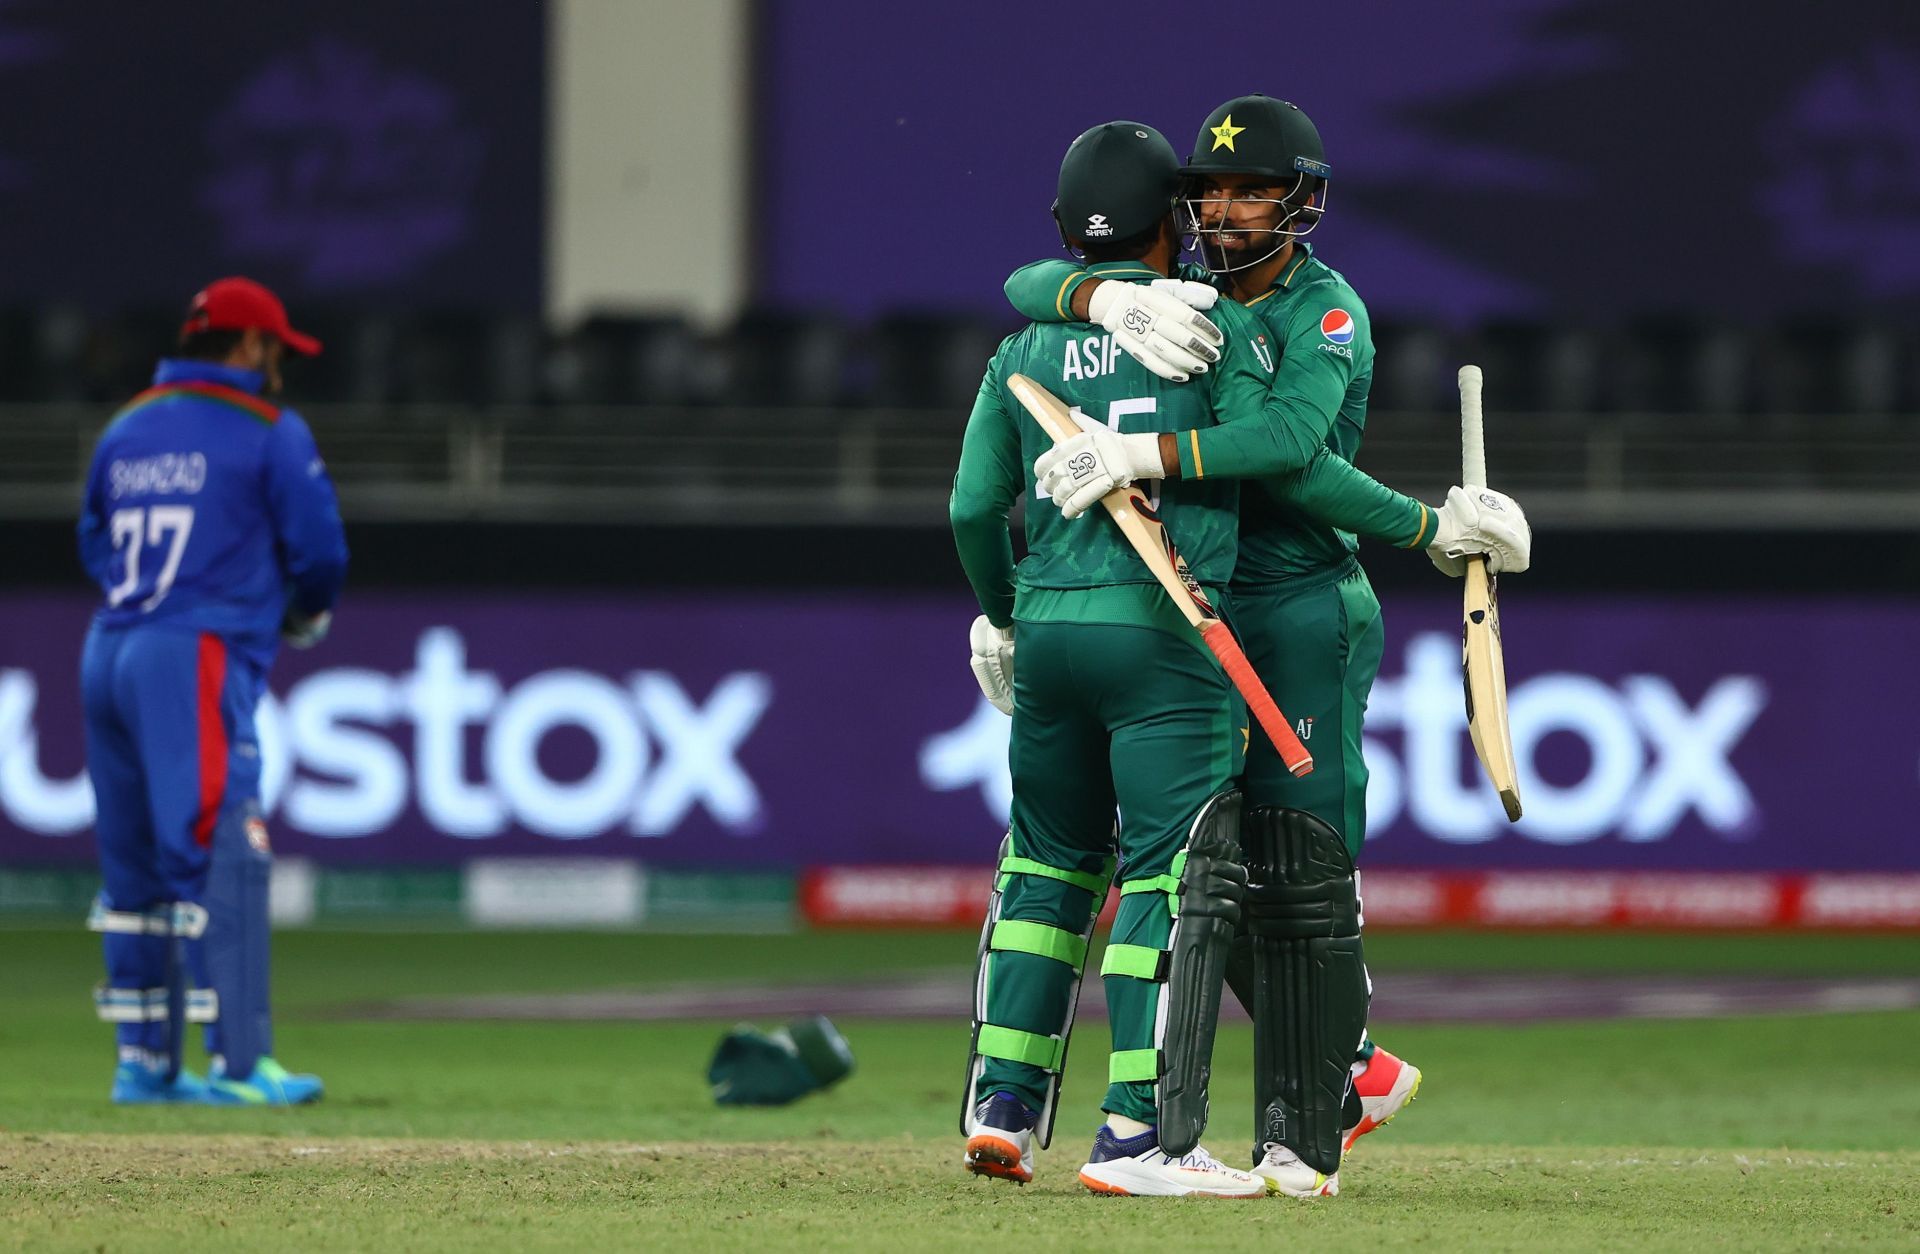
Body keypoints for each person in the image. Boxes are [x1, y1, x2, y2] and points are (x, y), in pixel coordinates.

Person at [1006, 94, 1531, 1196]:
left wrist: (1428, 530)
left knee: (1300, 871)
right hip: (1203, 609)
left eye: (1254, 191)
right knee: (1200, 863)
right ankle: (1353, 1066)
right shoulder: (1178, 300)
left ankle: (1312, 1120)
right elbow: (1018, 291)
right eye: (1213, 192)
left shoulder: (1325, 308)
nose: (1231, 210)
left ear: (1303, 203)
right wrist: (1102, 291)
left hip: (1301, 612)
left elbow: (1293, 451)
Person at [77, 276, 347, 1105]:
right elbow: (321, 551)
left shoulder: (124, 426)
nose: (278, 370)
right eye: (275, 351)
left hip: (110, 646)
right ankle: (240, 1066)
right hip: (193, 651)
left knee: (135, 866)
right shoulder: (268, 429)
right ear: (250, 347)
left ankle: (144, 1066)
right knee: (223, 847)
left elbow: (91, 536)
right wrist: (296, 612)